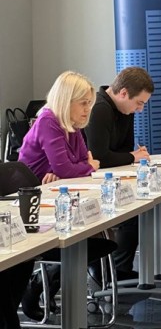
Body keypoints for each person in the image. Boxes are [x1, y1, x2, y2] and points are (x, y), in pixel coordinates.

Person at [17, 71, 116, 321]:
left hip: (56, 196)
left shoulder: (71, 124)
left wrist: (77, 167)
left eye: (89, 104)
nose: (87, 110)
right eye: (83, 103)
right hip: (32, 204)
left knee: (91, 233)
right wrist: (83, 167)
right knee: (84, 237)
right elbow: (73, 168)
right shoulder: (48, 122)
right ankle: (37, 286)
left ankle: (44, 285)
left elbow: (78, 163)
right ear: (66, 100)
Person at [85, 66, 154, 280]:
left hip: (109, 177)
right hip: (88, 180)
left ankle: (119, 270)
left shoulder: (124, 110)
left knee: (135, 210)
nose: (140, 109)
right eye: (139, 103)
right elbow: (100, 158)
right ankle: (111, 272)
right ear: (123, 93)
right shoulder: (99, 108)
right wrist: (133, 156)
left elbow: (124, 151)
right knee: (130, 214)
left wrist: (133, 156)